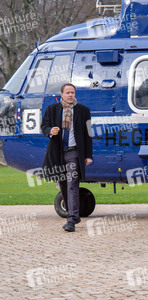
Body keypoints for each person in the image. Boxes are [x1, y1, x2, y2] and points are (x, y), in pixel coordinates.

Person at [41, 83, 93, 232]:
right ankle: (74, 214)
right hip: (57, 152)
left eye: (73, 92)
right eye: (68, 92)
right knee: (63, 185)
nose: (70, 95)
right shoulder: (52, 109)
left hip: (74, 153)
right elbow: (44, 126)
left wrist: (88, 155)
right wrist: (51, 131)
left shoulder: (84, 110)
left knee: (72, 184)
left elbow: (89, 133)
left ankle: (71, 220)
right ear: (61, 94)